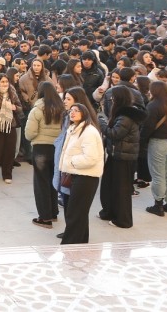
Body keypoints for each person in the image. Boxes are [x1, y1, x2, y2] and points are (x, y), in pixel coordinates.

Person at [97, 86, 145, 228]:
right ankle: (109, 212)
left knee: (121, 190)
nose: (110, 100)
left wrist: (102, 123)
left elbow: (115, 134)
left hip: (123, 157)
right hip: (117, 155)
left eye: (113, 98)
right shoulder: (123, 114)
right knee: (108, 186)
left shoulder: (125, 116)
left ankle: (123, 220)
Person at [58, 96, 104, 245]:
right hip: (76, 175)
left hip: (85, 177)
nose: (72, 113)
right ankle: (80, 242)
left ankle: (70, 244)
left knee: (75, 212)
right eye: (71, 110)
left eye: (76, 111)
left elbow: (91, 157)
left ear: (84, 113)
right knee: (78, 212)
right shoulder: (74, 128)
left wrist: (71, 162)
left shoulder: (89, 132)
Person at [140, 80, 167, 216]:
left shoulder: (153, 106)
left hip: (158, 143)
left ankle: (158, 205)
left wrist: (142, 142)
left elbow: (147, 127)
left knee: (158, 174)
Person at [25, 81, 64, 228]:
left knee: (41, 183)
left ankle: (45, 217)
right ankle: (53, 213)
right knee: (53, 181)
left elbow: (30, 133)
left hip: (40, 149)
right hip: (57, 148)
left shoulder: (37, 110)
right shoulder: (61, 109)